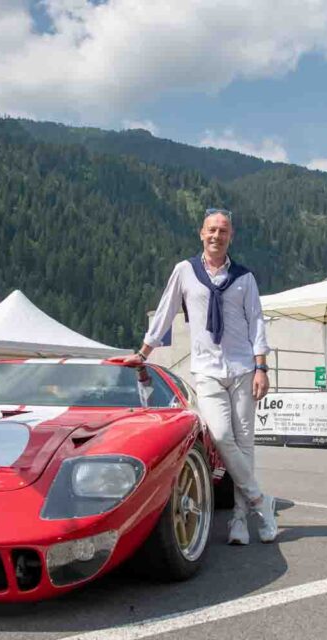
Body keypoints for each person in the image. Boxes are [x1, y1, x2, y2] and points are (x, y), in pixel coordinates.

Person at [124, 207, 278, 545]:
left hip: (242, 369)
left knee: (245, 444)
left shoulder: (244, 277)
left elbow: (257, 322)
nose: (216, 236)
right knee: (221, 437)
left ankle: (239, 520)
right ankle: (258, 500)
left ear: (231, 236)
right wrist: (144, 353)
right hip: (207, 370)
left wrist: (262, 367)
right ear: (201, 233)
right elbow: (165, 312)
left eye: (223, 231)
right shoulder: (185, 271)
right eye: (211, 230)